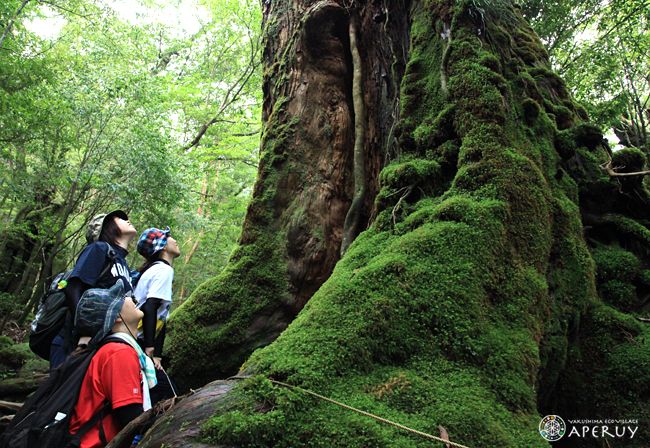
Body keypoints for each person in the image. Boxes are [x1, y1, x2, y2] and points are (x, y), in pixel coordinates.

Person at [69, 279, 157, 448]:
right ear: (117, 317)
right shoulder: (119, 353)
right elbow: (133, 419)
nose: (129, 298)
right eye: (121, 298)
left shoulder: (114, 348)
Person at [50, 210, 137, 370]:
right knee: (62, 393)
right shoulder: (99, 249)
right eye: (118, 218)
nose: (126, 220)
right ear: (107, 228)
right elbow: (73, 288)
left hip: (100, 343)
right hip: (75, 343)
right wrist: (85, 332)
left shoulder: (122, 264)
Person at [133, 226, 180, 403]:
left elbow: (162, 319)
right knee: (168, 394)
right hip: (137, 342)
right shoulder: (163, 270)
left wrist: (158, 355)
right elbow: (149, 308)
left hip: (139, 342)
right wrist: (149, 348)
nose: (174, 240)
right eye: (168, 237)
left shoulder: (159, 269)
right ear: (162, 247)